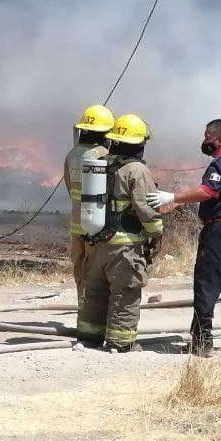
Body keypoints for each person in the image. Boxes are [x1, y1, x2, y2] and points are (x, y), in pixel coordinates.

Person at [146, 119, 221, 356]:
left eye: (208, 137)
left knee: (206, 285)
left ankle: (202, 342)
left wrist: (172, 197)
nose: (205, 141)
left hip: (220, 231)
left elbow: (207, 192)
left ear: (220, 138)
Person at [75, 114, 164, 351]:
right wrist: (157, 232)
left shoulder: (102, 163)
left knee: (95, 290)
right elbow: (145, 207)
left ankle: (88, 337)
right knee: (125, 291)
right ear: (139, 144)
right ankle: (121, 342)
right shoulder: (136, 170)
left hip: (96, 241)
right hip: (125, 245)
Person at [63, 104, 114, 306]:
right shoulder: (103, 156)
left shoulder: (72, 154)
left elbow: (69, 186)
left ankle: (83, 311)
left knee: (80, 270)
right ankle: (96, 316)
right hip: (99, 225)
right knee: (98, 272)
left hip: (77, 224)